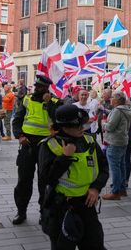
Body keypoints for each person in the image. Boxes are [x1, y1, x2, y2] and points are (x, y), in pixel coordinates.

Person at [38, 105, 108, 249]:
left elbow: (104, 168)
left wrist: (95, 188)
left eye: (82, 124)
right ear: (64, 126)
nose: (82, 128)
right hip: (61, 207)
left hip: (87, 205)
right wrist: (65, 157)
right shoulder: (49, 145)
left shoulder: (90, 141)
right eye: (77, 126)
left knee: (95, 244)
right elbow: (46, 178)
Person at [11, 75, 60, 225]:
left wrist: (48, 103)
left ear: (47, 89)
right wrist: (19, 135)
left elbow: (58, 119)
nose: (37, 89)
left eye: (41, 87)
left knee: (44, 181)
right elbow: (17, 119)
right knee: (24, 180)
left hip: (46, 145)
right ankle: (21, 212)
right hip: (27, 144)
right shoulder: (27, 99)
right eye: (36, 86)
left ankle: (43, 212)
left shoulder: (55, 101)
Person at [102, 91, 131, 200]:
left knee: (115, 167)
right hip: (123, 141)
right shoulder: (126, 109)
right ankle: (122, 189)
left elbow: (110, 127)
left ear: (118, 100)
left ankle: (115, 192)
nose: (110, 99)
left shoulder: (117, 111)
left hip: (115, 142)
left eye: (112, 97)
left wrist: (103, 123)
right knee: (121, 165)